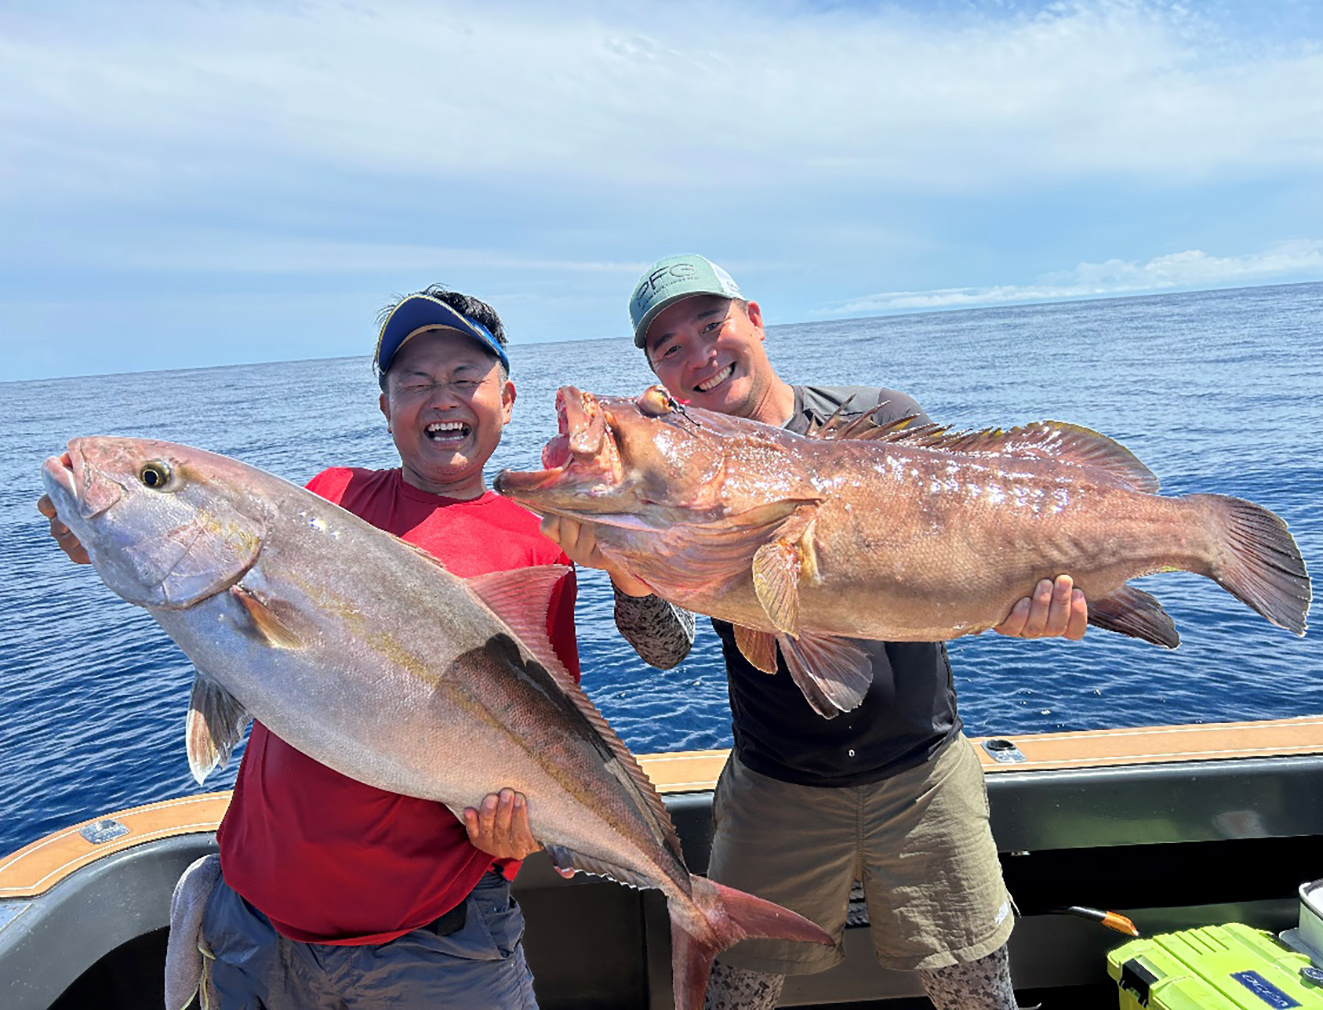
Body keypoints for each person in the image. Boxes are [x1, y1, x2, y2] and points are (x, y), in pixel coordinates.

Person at [38, 285, 688, 1010]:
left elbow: (561, 719)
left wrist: (522, 836)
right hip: (255, 928)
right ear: (385, 408)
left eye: (465, 379)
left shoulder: (542, 540)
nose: (441, 398)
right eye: (415, 382)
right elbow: (215, 617)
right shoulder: (332, 498)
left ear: (507, 400)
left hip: (436, 949)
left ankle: (695, 906)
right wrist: (106, 537)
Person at [553, 254, 1088, 1010]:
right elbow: (666, 650)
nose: (700, 356)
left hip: (924, 778)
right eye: (669, 348)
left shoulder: (876, 421)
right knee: (732, 995)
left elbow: (972, 546)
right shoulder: (665, 486)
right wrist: (626, 564)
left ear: (756, 320)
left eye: (712, 326)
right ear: (657, 374)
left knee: (978, 996)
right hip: (776, 790)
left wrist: (1032, 609)